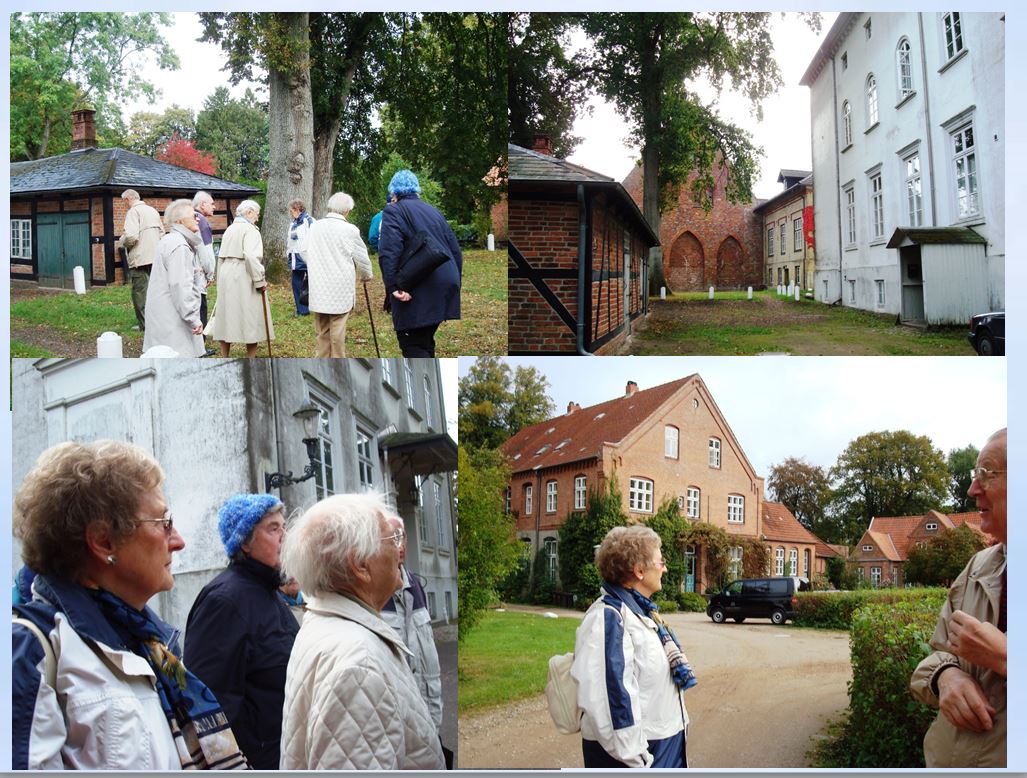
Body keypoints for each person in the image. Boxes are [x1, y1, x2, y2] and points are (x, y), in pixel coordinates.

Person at [12, 440, 248, 770]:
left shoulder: (150, 646)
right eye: (163, 522)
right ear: (104, 541)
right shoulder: (31, 652)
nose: (178, 541)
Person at [279, 493, 445, 770]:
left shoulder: (324, 624)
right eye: (392, 538)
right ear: (361, 565)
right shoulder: (359, 665)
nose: (399, 548)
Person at [910, 428, 1007, 768]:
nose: (972, 489)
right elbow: (937, 655)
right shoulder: (978, 566)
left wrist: (1008, 658)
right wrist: (944, 677)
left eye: (988, 474)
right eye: (974, 474)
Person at [184, 494, 299, 770]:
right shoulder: (224, 601)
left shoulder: (269, 593)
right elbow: (210, 707)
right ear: (244, 542)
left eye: (284, 527)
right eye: (273, 528)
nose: (285, 536)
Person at [571, 525, 696, 769]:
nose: (665, 569)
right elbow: (608, 700)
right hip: (636, 758)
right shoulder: (609, 617)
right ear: (639, 570)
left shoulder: (645, 615)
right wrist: (639, 760)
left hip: (663, 746)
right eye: (661, 562)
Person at [377, 170, 462, 357]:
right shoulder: (434, 212)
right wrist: (454, 284)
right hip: (445, 282)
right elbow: (455, 250)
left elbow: (389, 252)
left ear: (394, 192)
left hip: (416, 289)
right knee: (424, 341)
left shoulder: (394, 210)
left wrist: (392, 287)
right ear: (416, 190)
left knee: (413, 343)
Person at [380, 514, 443, 731]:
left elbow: (429, 659)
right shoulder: (373, 593)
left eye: (402, 536)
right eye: (392, 537)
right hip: (396, 720)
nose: (400, 545)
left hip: (428, 714)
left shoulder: (416, 586)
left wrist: (435, 718)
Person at [306, 191, 373, 357]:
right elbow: (362, 258)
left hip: (319, 285)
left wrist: (314, 266)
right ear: (347, 210)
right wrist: (366, 275)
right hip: (340, 286)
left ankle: (321, 359)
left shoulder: (315, 226)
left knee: (322, 330)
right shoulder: (350, 230)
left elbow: (303, 250)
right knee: (337, 329)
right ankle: (337, 360)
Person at [206, 200, 274, 358]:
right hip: (244, 273)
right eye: (257, 214)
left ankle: (224, 355)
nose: (257, 218)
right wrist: (259, 280)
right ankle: (251, 358)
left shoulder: (230, 228)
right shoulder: (251, 230)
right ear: (249, 212)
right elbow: (251, 256)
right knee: (250, 314)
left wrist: (219, 280)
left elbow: (220, 256)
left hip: (226, 272)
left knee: (226, 314)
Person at [142, 199, 205, 357]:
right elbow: (180, 286)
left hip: (162, 313)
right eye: (193, 215)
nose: (198, 218)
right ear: (180, 221)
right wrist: (193, 319)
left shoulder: (170, 240)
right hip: (171, 317)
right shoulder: (179, 245)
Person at [118, 189, 163, 331]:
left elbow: (131, 237)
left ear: (127, 199)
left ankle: (145, 326)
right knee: (155, 292)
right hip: (155, 257)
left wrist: (122, 241)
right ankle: (158, 321)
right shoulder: (153, 211)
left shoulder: (133, 212)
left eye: (124, 202)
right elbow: (162, 233)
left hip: (140, 259)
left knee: (140, 293)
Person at [192, 192, 217, 340]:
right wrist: (210, 273)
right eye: (211, 203)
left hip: (189, 270)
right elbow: (207, 252)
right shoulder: (201, 221)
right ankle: (199, 344)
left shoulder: (190, 218)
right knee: (200, 307)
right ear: (202, 204)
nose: (214, 206)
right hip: (199, 272)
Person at [286, 199, 314, 316]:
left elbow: (313, 238)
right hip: (295, 257)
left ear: (298, 209)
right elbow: (291, 241)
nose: (291, 212)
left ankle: (313, 307)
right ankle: (301, 309)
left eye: (292, 210)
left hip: (307, 256)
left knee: (311, 283)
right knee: (296, 283)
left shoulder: (309, 221)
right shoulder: (294, 223)